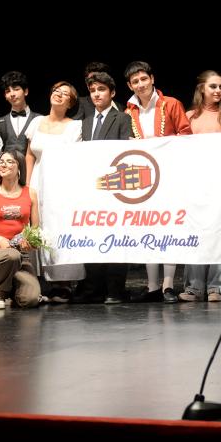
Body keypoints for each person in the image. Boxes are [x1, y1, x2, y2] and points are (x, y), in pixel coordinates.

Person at [124, 61, 192, 303]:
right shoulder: (129, 111)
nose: (140, 84)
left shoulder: (171, 104)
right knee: (147, 227)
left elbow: (186, 135)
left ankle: (168, 285)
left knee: (168, 227)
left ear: (152, 79)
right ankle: (152, 287)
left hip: (171, 174)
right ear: (129, 85)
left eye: (144, 79)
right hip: (144, 178)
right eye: (135, 82)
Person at [181, 70, 221, 302]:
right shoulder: (189, 116)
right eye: (213, 86)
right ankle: (195, 287)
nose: (218, 91)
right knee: (196, 228)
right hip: (196, 180)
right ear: (202, 89)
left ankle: (217, 286)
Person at [24, 81, 84, 301]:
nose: (59, 95)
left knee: (58, 230)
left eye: (65, 94)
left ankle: (63, 283)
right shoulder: (37, 121)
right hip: (37, 181)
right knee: (35, 228)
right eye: (56, 91)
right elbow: (29, 155)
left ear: (71, 102)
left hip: (61, 184)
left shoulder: (75, 126)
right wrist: (28, 184)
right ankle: (32, 282)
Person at [80, 71, 133, 304]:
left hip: (113, 187)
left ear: (112, 93)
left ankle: (114, 289)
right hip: (91, 187)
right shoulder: (86, 121)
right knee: (93, 236)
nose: (96, 94)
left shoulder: (122, 117)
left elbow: (125, 154)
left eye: (101, 90)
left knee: (116, 237)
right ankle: (94, 288)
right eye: (92, 91)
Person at [0, 150, 42, 309]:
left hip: (21, 258)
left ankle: (12, 291)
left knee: (30, 300)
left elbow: (35, 230)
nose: (3, 164)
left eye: (10, 161)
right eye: (1, 161)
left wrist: (31, 243)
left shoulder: (30, 193)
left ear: (19, 167)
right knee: (10, 255)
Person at [0, 71, 39, 183]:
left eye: (16, 89)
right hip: (8, 180)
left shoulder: (39, 120)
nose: (12, 94)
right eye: (8, 91)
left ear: (25, 91)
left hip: (33, 178)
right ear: (5, 96)